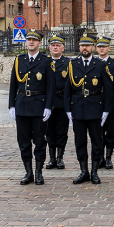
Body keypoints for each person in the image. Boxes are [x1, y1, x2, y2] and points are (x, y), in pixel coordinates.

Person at [62, 33, 113, 185]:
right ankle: (84, 171)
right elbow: (68, 89)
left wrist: (106, 110)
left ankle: (95, 172)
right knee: (80, 141)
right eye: (82, 45)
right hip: (77, 108)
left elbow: (108, 89)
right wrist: (68, 110)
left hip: (95, 108)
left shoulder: (100, 65)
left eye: (88, 45)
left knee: (97, 141)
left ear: (93, 48)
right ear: (80, 47)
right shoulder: (72, 65)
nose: (85, 48)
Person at [9, 31, 55, 185]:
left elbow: (50, 87)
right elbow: (13, 85)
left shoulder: (46, 61)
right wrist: (11, 105)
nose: (31, 42)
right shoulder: (19, 60)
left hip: (38, 105)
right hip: (22, 105)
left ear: (39, 43)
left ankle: (38, 172)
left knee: (40, 141)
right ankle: (28, 172)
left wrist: (48, 106)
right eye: (28, 40)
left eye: (34, 40)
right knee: (23, 142)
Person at [95, 36, 114, 169]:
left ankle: (108, 157)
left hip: (111, 101)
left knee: (110, 131)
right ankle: (99, 157)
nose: (101, 49)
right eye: (99, 46)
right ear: (96, 48)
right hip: (95, 101)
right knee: (97, 131)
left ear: (109, 48)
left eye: (104, 47)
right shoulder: (93, 63)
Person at [46, 34, 71, 171]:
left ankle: (60, 157)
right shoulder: (44, 62)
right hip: (48, 103)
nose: (55, 48)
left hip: (62, 102)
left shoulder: (68, 63)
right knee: (49, 132)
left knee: (62, 131)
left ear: (63, 48)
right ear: (49, 48)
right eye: (53, 45)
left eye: (58, 45)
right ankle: (51, 157)